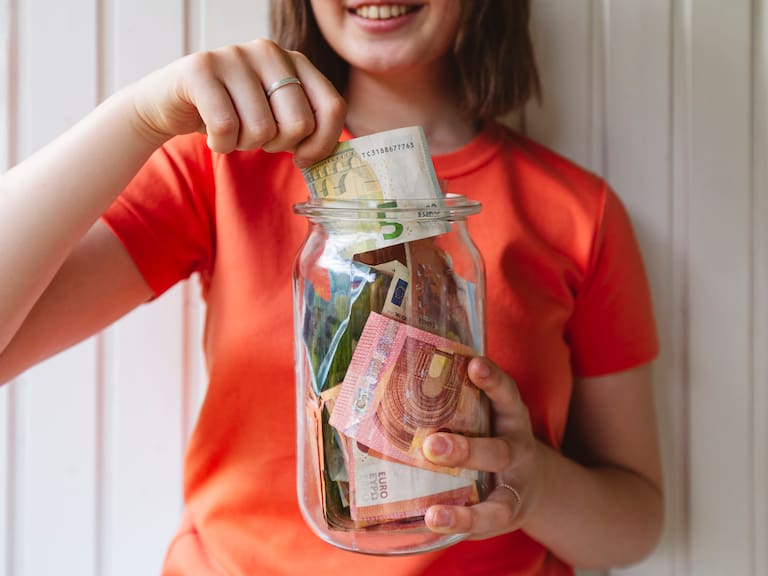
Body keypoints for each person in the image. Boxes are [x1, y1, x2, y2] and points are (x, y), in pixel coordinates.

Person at [0, 1, 664, 574]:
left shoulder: (579, 213)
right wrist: (139, 118)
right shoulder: (224, 165)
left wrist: (537, 484)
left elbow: (637, 519)